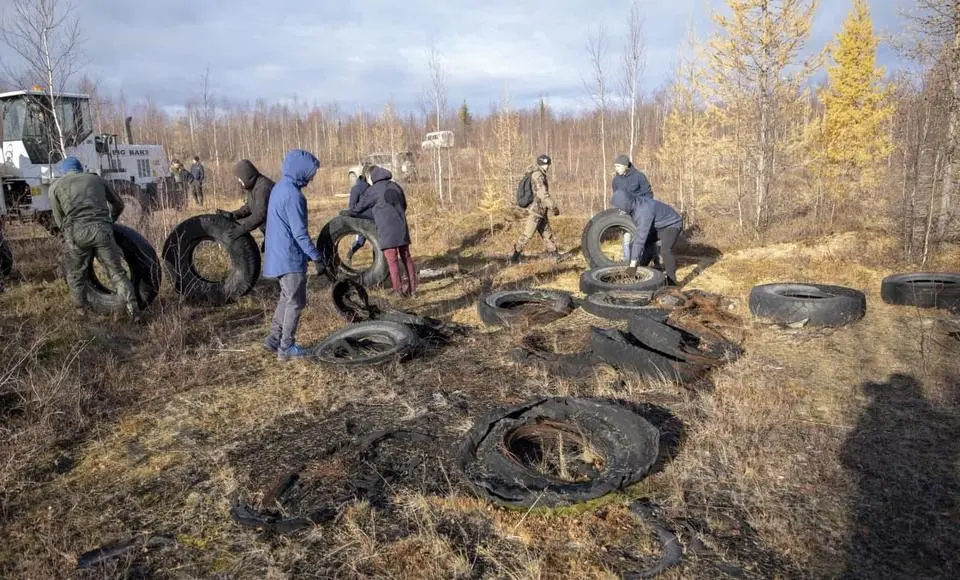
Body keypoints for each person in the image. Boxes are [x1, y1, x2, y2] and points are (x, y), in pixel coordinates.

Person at [49, 156, 141, 321]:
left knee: (76, 275)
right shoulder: (97, 179)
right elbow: (119, 204)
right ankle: (134, 313)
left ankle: (82, 314)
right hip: (101, 231)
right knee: (117, 273)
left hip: (76, 234)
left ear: (64, 171)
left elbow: (59, 218)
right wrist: (109, 221)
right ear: (80, 168)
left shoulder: (55, 186)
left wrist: (68, 235)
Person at [263, 148, 325, 360]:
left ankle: (273, 339)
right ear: (301, 171)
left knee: (285, 298)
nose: (312, 178)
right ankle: (286, 348)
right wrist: (316, 257)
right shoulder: (293, 195)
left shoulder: (280, 188)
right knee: (296, 302)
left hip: (277, 256)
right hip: (289, 258)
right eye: (310, 174)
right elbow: (299, 233)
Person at [353, 165, 417, 296]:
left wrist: (349, 212)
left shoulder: (374, 190)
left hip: (387, 230)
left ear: (373, 177)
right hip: (401, 227)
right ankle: (413, 289)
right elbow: (404, 205)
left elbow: (359, 207)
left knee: (392, 260)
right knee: (407, 258)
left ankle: (398, 290)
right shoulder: (396, 186)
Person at [611, 188, 683, 286]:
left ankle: (672, 282)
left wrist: (632, 265)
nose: (619, 211)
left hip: (672, 224)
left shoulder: (643, 211)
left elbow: (640, 238)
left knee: (665, 250)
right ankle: (642, 268)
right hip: (658, 226)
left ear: (626, 204)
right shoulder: (634, 203)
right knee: (641, 244)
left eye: (620, 208)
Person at [511, 154, 560, 263]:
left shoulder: (538, 173)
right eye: (546, 164)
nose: (547, 166)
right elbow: (542, 194)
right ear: (541, 164)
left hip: (541, 210)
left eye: (548, 164)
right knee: (527, 234)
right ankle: (515, 256)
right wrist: (553, 206)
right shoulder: (538, 175)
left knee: (547, 234)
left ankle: (556, 255)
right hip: (536, 211)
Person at [612, 154, 656, 264]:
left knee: (643, 238)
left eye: (618, 166)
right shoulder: (615, 180)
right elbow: (617, 197)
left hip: (640, 213)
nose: (616, 169)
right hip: (626, 213)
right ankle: (628, 262)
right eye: (615, 166)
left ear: (625, 166)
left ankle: (651, 261)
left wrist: (644, 208)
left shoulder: (639, 176)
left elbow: (648, 194)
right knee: (627, 238)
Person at [218, 159, 275, 236]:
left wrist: (241, 229)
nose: (239, 180)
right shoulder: (253, 186)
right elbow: (249, 207)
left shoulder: (263, 188)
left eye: (239, 177)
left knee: (266, 248)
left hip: (276, 230)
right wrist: (233, 215)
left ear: (246, 175)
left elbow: (260, 215)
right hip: (269, 230)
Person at [344, 168, 373, 263]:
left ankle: (349, 256)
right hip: (373, 219)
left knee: (360, 242)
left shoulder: (355, 189)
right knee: (376, 243)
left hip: (361, 220)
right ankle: (379, 265)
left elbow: (352, 207)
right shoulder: (371, 188)